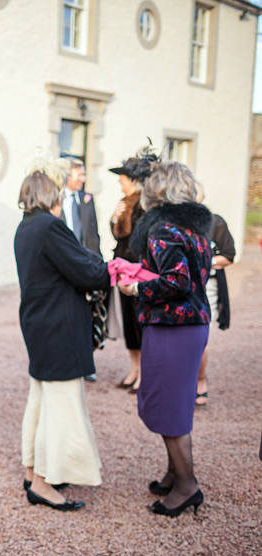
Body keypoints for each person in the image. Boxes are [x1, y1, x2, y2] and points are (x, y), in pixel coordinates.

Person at [14, 153, 110, 512]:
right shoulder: (49, 226)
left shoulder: (25, 225)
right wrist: (111, 271)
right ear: (52, 195)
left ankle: (31, 470)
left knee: (40, 401)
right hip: (59, 326)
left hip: (39, 324)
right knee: (61, 407)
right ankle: (42, 483)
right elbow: (86, 271)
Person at [118, 161, 212, 518]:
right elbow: (191, 277)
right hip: (193, 326)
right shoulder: (195, 230)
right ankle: (175, 472)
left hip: (173, 327)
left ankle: (187, 486)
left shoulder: (164, 230)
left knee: (166, 405)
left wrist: (137, 286)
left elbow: (177, 281)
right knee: (176, 403)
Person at [108, 149, 159, 394]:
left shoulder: (143, 204)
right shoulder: (125, 202)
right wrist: (115, 219)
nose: (119, 180)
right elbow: (118, 235)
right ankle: (134, 369)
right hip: (122, 269)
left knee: (139, 321)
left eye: (123, 177)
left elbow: (136, 238)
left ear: (133, 179)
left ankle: (144, 375)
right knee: (129, 321)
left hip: (137, 270)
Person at [193, 181, 235, 406]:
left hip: (207, 288)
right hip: (184, 286)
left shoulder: (215, 222)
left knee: (200, 339)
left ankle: (200, 380)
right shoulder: (177, 225)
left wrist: (204, 262)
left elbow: (229, 255)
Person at [62, 158, 101, 256]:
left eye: (84, 175)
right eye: (79, 176)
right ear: (67, 177)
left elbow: (93, 234)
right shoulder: (56, 199)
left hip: (84, 257)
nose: (83, 179)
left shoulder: (87, 199)